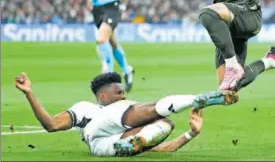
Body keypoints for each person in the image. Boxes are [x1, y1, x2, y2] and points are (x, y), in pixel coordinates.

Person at [14, 72, 238, 157]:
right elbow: (51, 125)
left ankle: (195, 100)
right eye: (118, 92)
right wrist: (29, 93)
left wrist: (190, 134)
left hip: (109, 147)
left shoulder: (129, 130)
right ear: (102, 96)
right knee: (151, 112)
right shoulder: (86, 108)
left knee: (165, 125)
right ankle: (196, 99)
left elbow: (157, 149)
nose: (123, 95)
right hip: (98, 132)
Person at [75, 0, 137, 92]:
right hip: (97, 9)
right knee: (112, 41)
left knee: (101, 39)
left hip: (113, 7)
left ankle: (109, 77)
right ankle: (127, 70)